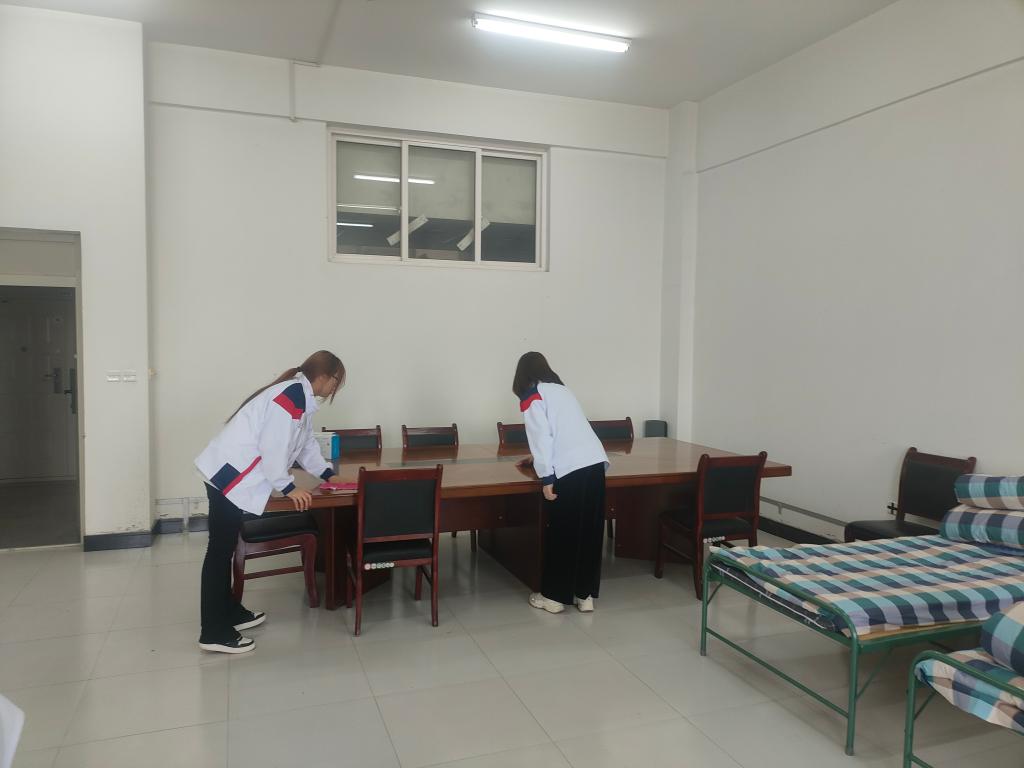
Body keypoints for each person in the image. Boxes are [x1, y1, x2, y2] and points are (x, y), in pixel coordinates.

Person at [194, 350, 345, 653]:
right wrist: (288, 487)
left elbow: (305, 445)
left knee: (222, 550)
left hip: (231, 477)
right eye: (336, 381)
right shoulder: (290, 397)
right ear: (323, 376)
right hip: (228, 479)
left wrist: (328, 474)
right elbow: (273, 446)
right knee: (219, 552)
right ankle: (213, 631)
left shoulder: (300, 398)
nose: (335, 388)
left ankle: (229, 612)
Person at [513, 352, 608, 614]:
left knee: (563, 531)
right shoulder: (562, 390)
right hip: (595, 463)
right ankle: (584, 596)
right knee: (589, 531)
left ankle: (553, 598)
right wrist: (537, 458)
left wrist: (546, 476)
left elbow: (541, 436)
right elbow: (567, 431)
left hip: (570, 469)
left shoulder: (532, 395)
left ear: (522, 375)